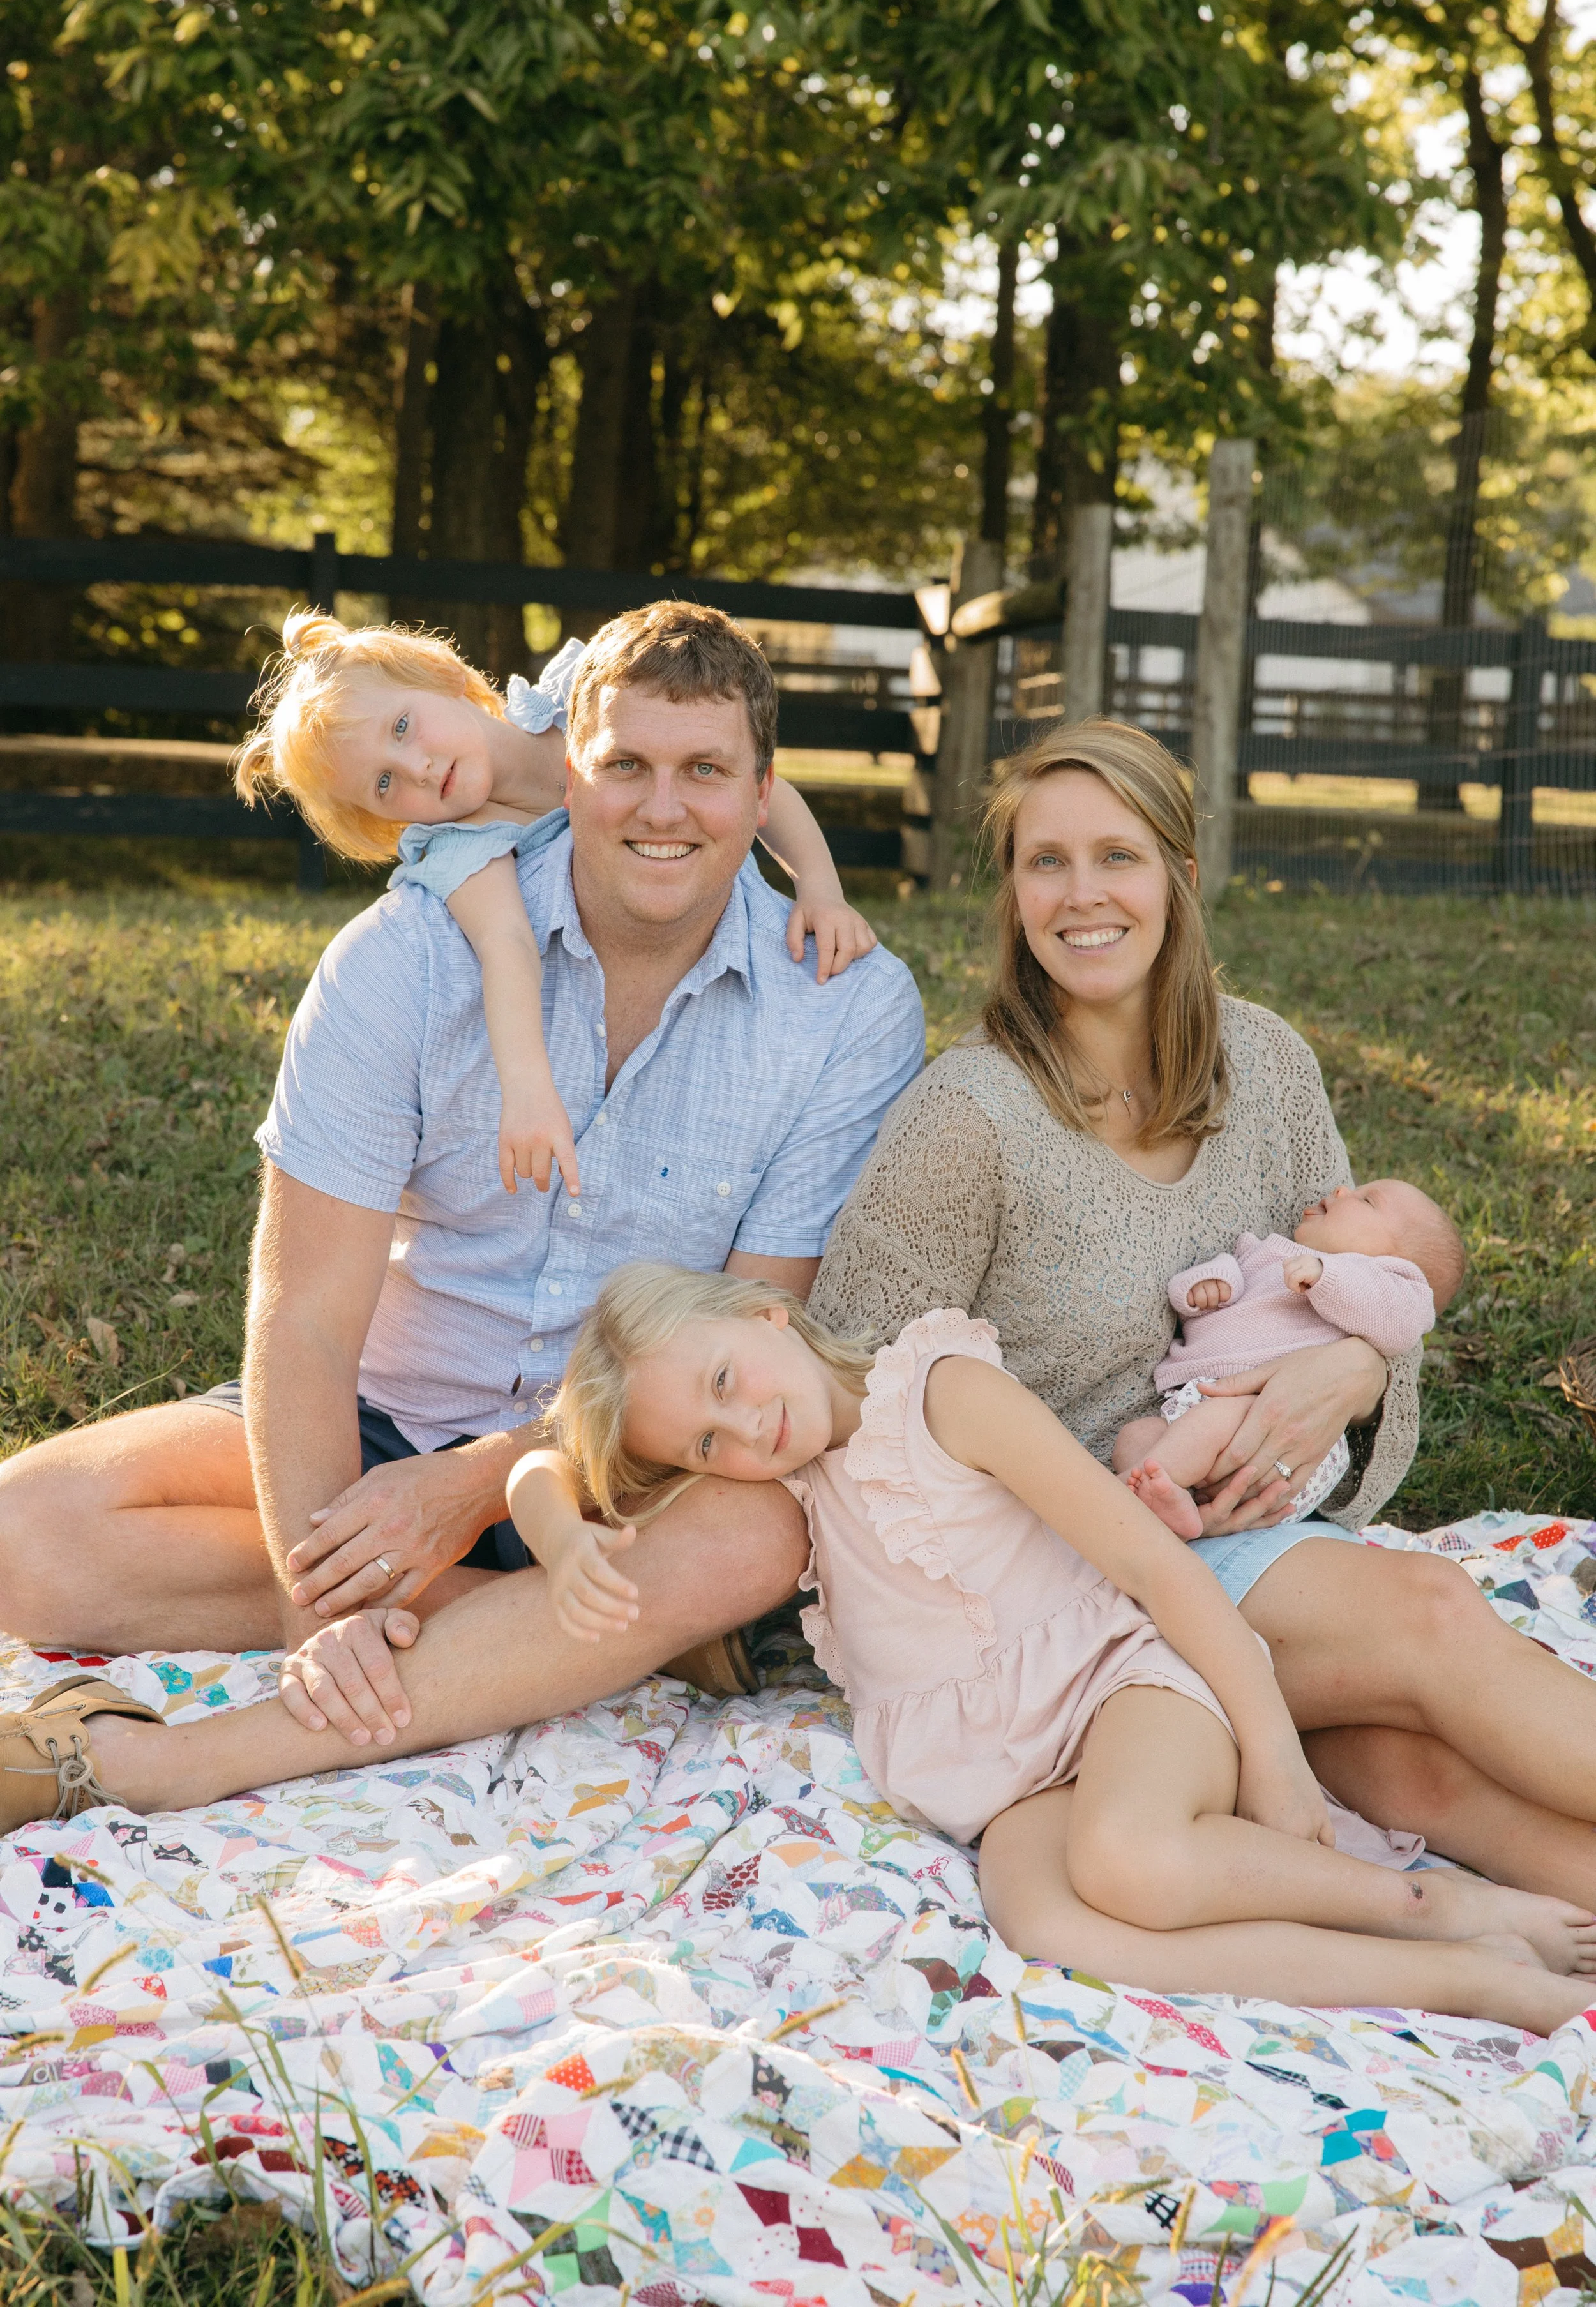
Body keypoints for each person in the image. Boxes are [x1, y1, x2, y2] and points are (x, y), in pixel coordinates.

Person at [8, 1263, 1595, 2038]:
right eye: (703, 1433)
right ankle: (1466, 1979)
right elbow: (539, 1470)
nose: (738, 1426)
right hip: (991, 1765)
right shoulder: (788, 1500)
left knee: (1136, 1851)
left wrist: (1266, 1748)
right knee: (1060, 1919)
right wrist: (559, 1533)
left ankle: (1431, 1897)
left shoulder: (936, 1387)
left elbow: (1145, 1567)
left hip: (1126, 1689)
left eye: (723, 1376)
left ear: (766, 1314)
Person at [0, 601, 924, 1727]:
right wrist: (317, 1594)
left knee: (759, 1538)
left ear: (763, 789)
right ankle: (562, 1632)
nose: (664, 807)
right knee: (22, 1534)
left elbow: (761, 1325)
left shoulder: (846, 1007)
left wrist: (477, 1484)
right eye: (625, 764)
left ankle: (534, 1609)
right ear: (570, 774)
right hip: (384, 1417)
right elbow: (305, 1320)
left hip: (642, 1457)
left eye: (705, 770)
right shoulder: (401, 959)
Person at [808, 719, 1596, 1911]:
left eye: (1117, 857)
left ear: (1178, 873)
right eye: (1046, 862)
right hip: (1073, 1574)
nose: (1083, 897)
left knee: (1413, 1774)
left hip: (1243, 1532)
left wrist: (1361, 1374)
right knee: (1430, 1617)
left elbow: (1372, 1290)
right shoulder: (968, 1117)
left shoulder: (1267, 1067)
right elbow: (852, 1385)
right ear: (1013, 891)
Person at [234, 613, 877, 1198]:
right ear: (379, 820)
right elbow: (507, 947)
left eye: (402, 727)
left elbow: (754, 782)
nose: (418, 769)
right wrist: (528, 1091)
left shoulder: (577, 698)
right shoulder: (464, 850)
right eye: (384, 783)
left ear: (441, 676)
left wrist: (819, 888)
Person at [1115, 1177, 1460, 1539]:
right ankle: (1172, 1502)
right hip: (1198, 1405)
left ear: (1397, 1261)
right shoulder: (1267, 1252)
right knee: (1136, 1435)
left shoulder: (1391, 1286)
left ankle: (1118, 1502)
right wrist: (1210, 1283)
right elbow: (1224, 1287)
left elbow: (1398, 1326)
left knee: (1206, 1427)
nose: (1343, 1190)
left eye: (1367, 1201)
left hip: (1286, 1426)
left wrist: (1327, 1276)